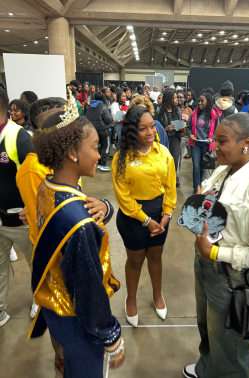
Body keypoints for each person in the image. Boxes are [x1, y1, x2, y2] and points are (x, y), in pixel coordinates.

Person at [183, 103, 249, 378]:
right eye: (216, 139)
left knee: (231, 348)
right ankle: (207, 367)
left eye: (222, 141)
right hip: (205, 267)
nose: (214, 146)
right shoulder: (223, 170)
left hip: (232, 279)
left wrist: (216, 255)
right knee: (208, 332)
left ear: (247, 143)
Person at [29, 97, 125, 377]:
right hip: (79, 320)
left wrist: (105, 206)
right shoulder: (80, 224)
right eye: (95, 147)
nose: (99, 154)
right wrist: (110, 335)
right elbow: (87, 288)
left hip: (55, 307)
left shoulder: (49, 186)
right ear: (72, 151)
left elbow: (77, 207)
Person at [111, 106, 176, 327]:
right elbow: (123, 197)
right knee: (135, 260)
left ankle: (158, 295)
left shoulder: (164, 153)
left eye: (152, 127)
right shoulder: (121, 158)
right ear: (131, 131)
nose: (150, 132)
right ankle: (131, 299)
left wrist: (166, 214)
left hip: (160, 215)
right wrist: (146, 221)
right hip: (133, 217)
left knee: (156, 257)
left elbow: (170, 187)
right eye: (143, 129)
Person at [0, 88, 34, 327]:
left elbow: (36, 178)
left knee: (37, 265)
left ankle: (40, 299)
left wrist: (32, 209)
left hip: (21, 221)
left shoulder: (18, 136)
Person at [187, 92, 222, 193]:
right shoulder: (194, 113)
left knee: (202, 167)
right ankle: (196, 189)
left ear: (208, 102)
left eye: (202, 101)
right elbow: (189, 128)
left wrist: (213, 138)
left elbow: (217, 131)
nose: (199, 103)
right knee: (196, 167)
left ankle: (200, 187)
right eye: (199, 101)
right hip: (195, 144)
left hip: (206, 145)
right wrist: (191, 136)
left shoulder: (214, 116)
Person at [154, 89, 182, 186]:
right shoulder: (159, 112)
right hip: (164, 138)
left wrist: (181, 127)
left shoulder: (177, 110)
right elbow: (156, 127)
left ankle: (173, 178)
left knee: (174, 159)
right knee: (163, 159)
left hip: (175, 138)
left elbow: (179, 122)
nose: (177, 100)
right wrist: (165, 129)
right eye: (174, 98)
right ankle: (163, 178)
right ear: (169, 99)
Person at [85, 92, 113, 171]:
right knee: (105, 146)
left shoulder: (89, 107)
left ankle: (97, 163)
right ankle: (103, 164)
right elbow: (108, 119)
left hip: (92, 130)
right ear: (102, 98)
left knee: (97, 146)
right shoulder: (103, 106)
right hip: (102, 130)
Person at [177, 92, 192, 170]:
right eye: (177, 97)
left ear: (184, 99)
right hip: (175, 136)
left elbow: (192, 125)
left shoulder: (189, 110)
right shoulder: (174, 110)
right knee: (176, 157)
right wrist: (180, 123)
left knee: (179, 156)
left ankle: (176, 174)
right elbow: (174, 125)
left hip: (185, 136)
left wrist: (189, 138)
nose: (179, 99)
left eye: (181, 97)